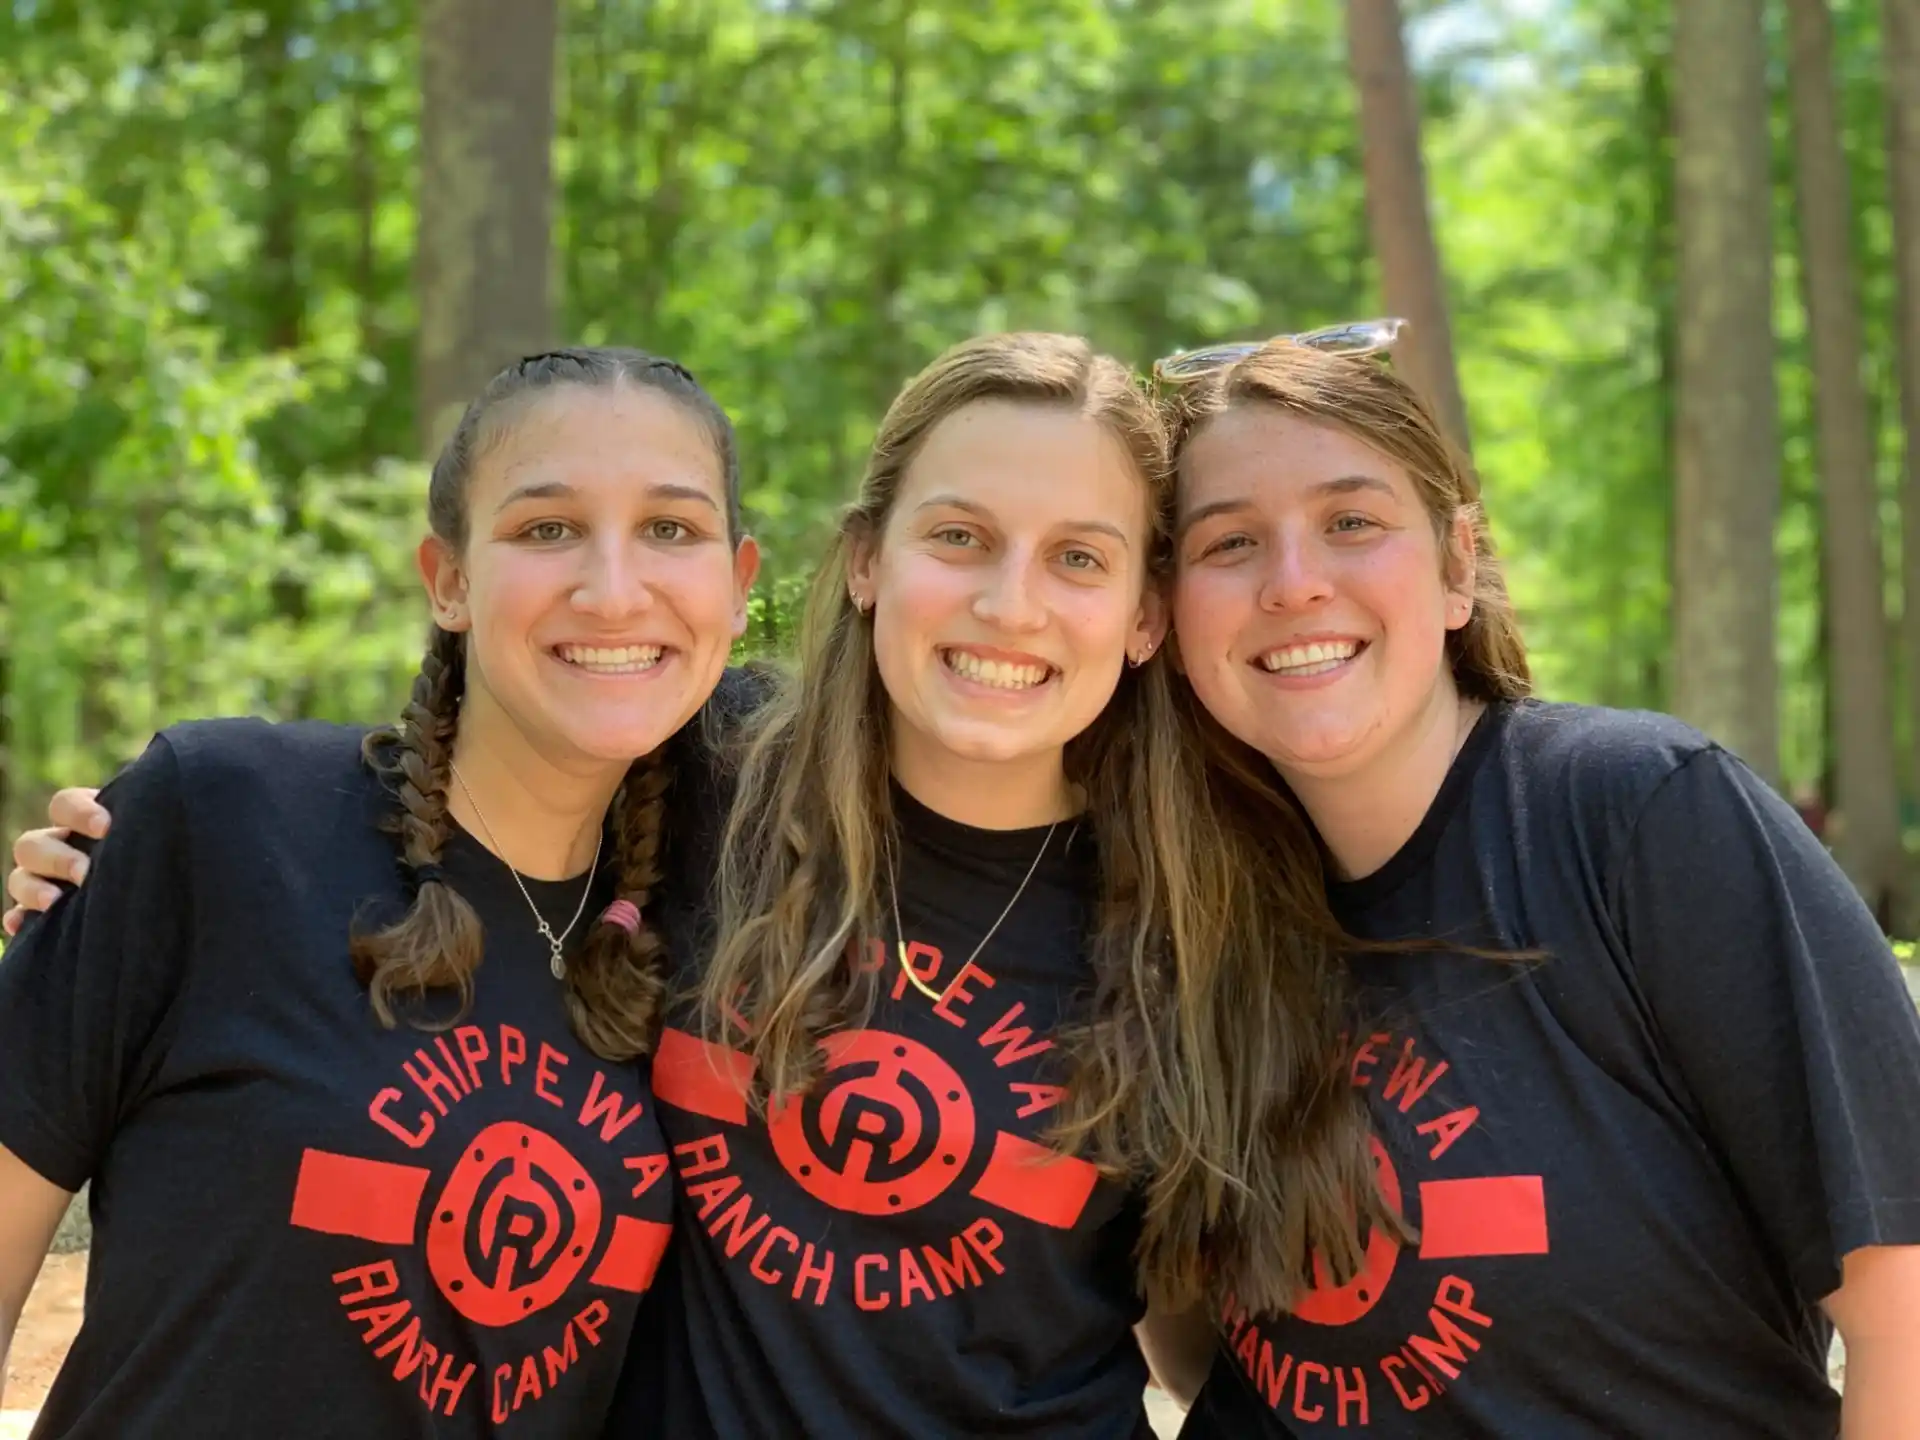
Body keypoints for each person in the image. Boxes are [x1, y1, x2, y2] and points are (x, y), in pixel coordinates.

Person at [7, 333, 1385, 1439]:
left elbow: (1213, 1345)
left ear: (1144, 615)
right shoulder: (712, 790)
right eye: (958, 537)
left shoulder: (1203, 922)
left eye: (1079, 557)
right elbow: (505, 733)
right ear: (861, 564)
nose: (1010, 606)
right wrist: (120, 861)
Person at [1149, 328, 1920, 1436]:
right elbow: (1199, 1357)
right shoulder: (1173, 911)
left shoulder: (1642, 814)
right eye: (1229, 544)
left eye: (1351, 523)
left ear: (1459, 563)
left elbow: (1905, 1310)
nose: (1295, 582)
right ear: (1169, 614)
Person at [0, 347, 759, 1435]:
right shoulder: (222, 822)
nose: (613, 585)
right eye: (546, 528)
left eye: (669, 530)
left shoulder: (727, 926)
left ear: (737, 588)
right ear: (448, 580)